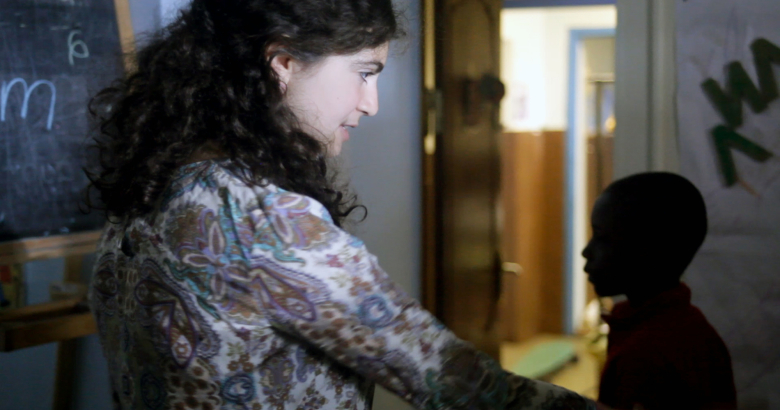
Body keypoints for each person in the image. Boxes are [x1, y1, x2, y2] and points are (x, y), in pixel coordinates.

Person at [86, 0, 600, 409]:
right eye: (364, 72)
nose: (370, 103)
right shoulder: (264, 222)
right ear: (283, 64)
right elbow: (450, 378)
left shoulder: (149, 190)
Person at [582, 172, 737, 410]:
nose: (586, 251)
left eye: (602, 238)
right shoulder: (688, 324)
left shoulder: (645, 353)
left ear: (650, 251)